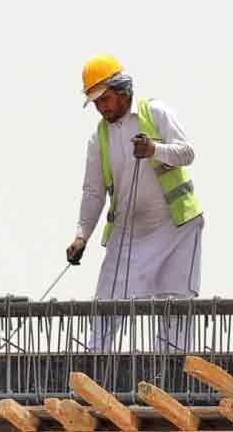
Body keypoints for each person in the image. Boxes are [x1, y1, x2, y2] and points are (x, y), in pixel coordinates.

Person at [66, 54, 203, 351]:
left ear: (122, 90)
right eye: (96, 103)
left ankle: (171, 371)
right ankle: (93, 365)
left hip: (176, 229)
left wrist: (154, 149)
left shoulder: (154, 112)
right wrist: (81, 236)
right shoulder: (99, 139)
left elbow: (187, 153)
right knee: (107, 304)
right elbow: (93, 192)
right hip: (129, 234)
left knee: (175, 309)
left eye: (105, 99)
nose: (102, 107)